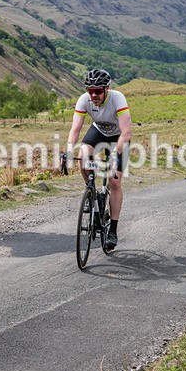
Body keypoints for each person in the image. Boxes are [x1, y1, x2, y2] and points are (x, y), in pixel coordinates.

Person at [67, 69, 132, 251]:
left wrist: (114, 155)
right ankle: (91, 191)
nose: (94, 94)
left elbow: (126, 132)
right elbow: (75, 129)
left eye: (98, 91)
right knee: (83, 153)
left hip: (119, 138)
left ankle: (113, 230)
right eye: (90, 90)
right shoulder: (84, 100)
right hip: (98, 132)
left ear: (107, 89)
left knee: (114, 180)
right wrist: (67, 150)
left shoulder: (117, 98)